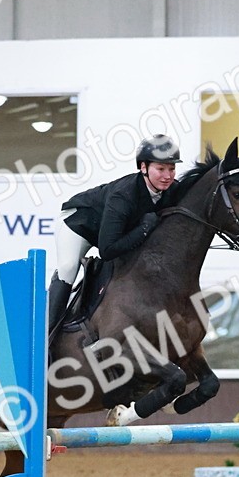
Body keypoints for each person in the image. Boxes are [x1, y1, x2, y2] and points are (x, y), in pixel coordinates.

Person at [49, 134, 185, 334]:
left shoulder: (172, 190)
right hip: (81, 225)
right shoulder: (123, 195)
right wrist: (144, 229)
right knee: (68, 267)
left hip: (115, 232)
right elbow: (107, 250)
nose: (168, 175)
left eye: (172, 168)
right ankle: (45, 334)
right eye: (161, 169)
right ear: (144, 168)